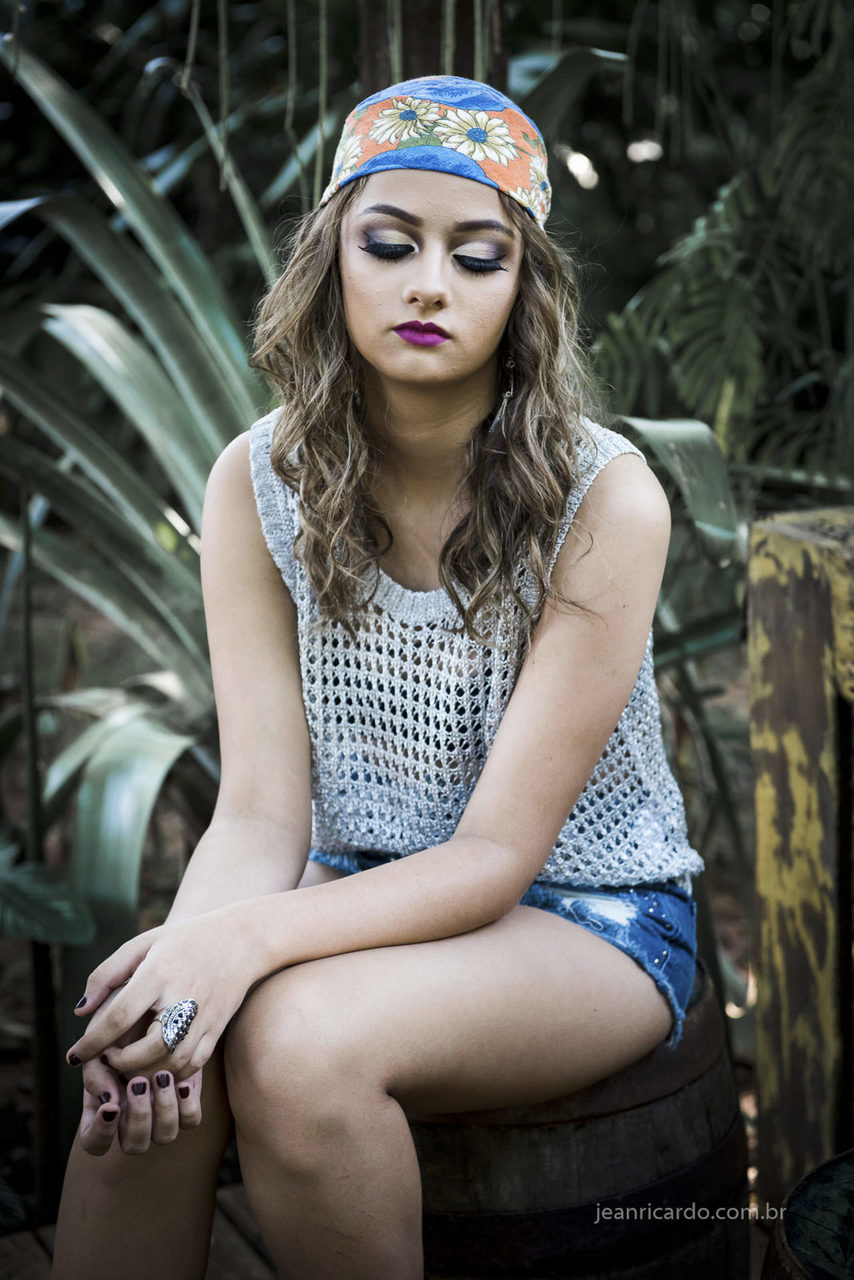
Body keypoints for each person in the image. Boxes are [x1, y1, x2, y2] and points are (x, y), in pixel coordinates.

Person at [52, 75, 704, 1280]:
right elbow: (260, 811)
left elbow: (493, 858)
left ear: (523, 288)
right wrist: (184, 968)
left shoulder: (604, 498)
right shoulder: (256, 482)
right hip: (350, 885)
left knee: (294, 1043)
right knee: (151, 1060)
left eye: (476, 256)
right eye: (389, 244)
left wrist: (239, 944)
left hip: (584, 913)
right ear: (330, 262)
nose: (428, 285)